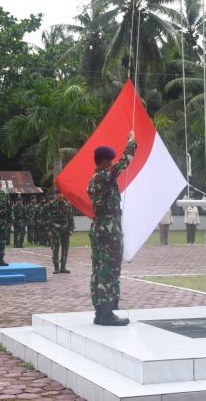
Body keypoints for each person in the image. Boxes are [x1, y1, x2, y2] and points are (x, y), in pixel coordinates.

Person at [88, 131, 136, 326]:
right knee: (109, 269)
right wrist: (131, 141)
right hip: (109, 229)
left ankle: (100, 312)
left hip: (99, 228)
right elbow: (125, 162)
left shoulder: (95, 179)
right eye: (111, 161)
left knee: (99, 269)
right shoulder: (105, 176)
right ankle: (107, 314)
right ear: (106, 162)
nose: (113, 164)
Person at [46, 189, 75, 274]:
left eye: (61, 193)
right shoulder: (51, 205)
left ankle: (63, 267)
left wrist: (71, 229)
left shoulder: (67, 204)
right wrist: (49, 229)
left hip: (65, 229)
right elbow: (48, 217)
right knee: (56, 248)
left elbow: (70, 217)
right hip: (55, 229)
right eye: (58, 194)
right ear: (55, 195)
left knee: (65, 248)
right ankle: (56, 268)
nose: (60, 195)